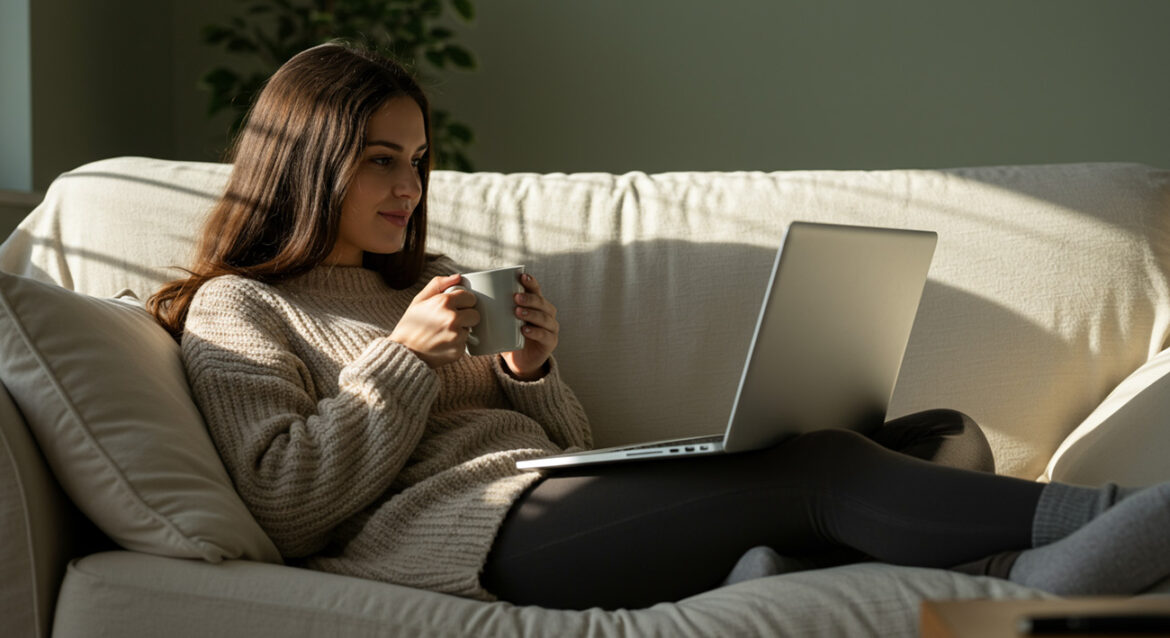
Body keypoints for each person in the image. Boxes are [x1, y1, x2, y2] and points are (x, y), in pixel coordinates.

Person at [149, 42, 1170, 611]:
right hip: (460, 538)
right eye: (381, 158)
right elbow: (286, 504)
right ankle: (1097, 526)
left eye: (418, 161)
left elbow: (562, 448)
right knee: (818, 467)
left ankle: (792, 568)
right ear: (307, 158)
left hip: (542, 497)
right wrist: (403, 360)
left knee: (929, 430)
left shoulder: (422, 281)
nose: (410, 186)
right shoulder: (241, 306)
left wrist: (533, 371)